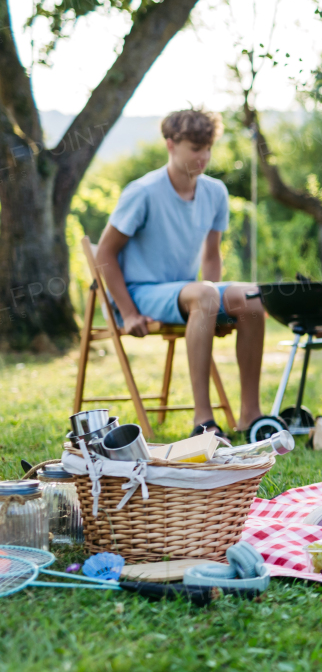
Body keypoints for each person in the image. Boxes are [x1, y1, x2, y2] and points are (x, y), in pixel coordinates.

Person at [96, 109, 265, 437]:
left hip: (190, 291)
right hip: (141, 292)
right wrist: (128, 312)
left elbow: (212, 255)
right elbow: (104, 253)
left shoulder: (216, 192)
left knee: (252, 296)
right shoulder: (142, 192)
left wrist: (214, 310)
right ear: (171, 145)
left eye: (208, 148)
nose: (203, 157)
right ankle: (204, 420)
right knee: (204, 293)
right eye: (195, 148)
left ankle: (251, 416)